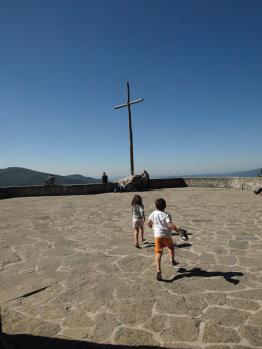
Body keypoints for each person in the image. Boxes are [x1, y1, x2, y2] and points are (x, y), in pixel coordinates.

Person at [147, 198, 181, 281]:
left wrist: (152, 227)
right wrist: (178, 230)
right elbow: (170, 225)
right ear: (165, 206)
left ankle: (158, 270)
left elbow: (148, 223)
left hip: (157, 236)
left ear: (156, 206)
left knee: (158, 253)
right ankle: (172, 260)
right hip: (167, 235)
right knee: (170, 248)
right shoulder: (166, 215)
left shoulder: (153, 213)